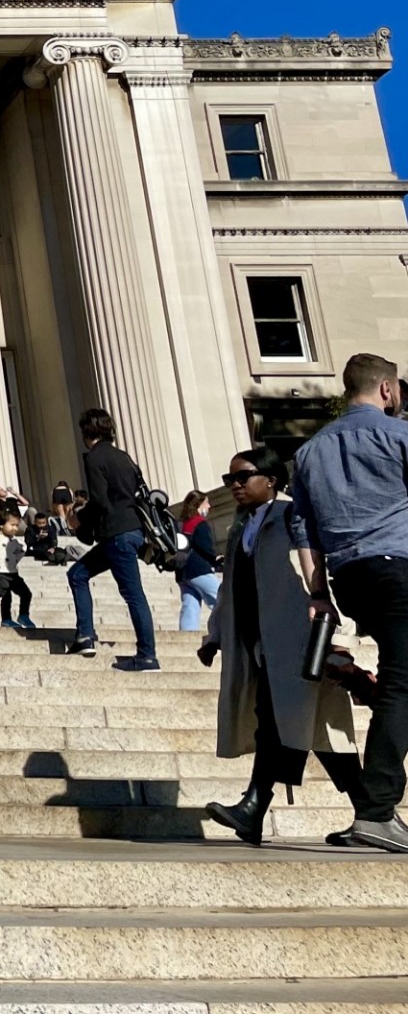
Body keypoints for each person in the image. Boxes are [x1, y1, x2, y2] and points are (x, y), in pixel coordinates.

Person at [202, 443, 364, 845]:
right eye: (229, 479)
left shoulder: (293, 516)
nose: (235, 485)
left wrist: (339, 637)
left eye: (243, 477)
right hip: (263, 648)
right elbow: (231, 592)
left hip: (300, 645)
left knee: (312, 733)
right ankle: (370, 812)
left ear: (270, 480)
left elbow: (320, 577)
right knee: (299, 731)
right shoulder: (241, 526)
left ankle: (255, 807)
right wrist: (216, 635)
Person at [293, 352, 408, 852]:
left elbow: (304, 528)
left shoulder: (309, 452)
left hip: (350, 577)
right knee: (403, 682)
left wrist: (318, 593)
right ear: (386, 389)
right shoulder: (399, 434)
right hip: (401, 565)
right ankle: (377, 810)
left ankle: (377, 806)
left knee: (401, 675)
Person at [63, 408, 159, 671]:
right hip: (133, 530)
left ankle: (147, 655)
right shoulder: (123, 456)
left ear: (86, 431)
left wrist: (79, 519)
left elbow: (101, 501)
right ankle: (84, 636)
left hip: (116, 533)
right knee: (77, 574)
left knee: (133, 594)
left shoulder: (95, 458)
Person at [0, 508, 35, 630]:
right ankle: (6, 619)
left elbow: (21, 550)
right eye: (12, 525)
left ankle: (24, 615)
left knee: (26, 593)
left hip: (12, 572)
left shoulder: (14, 541)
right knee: (6, 596)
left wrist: (16, 558)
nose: (15, 528)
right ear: (1, 525)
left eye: (17, 525)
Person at [177, 490, 223, 632]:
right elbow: (206, 546)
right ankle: (229, 632)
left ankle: (186, 636)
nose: (209, 506)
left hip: (182, 571)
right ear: (199, 504)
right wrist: (216, 560)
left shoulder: (182, 525)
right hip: (199, 569)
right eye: (206, 502)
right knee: (221, 599)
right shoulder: (200, 523)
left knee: (190, 605)